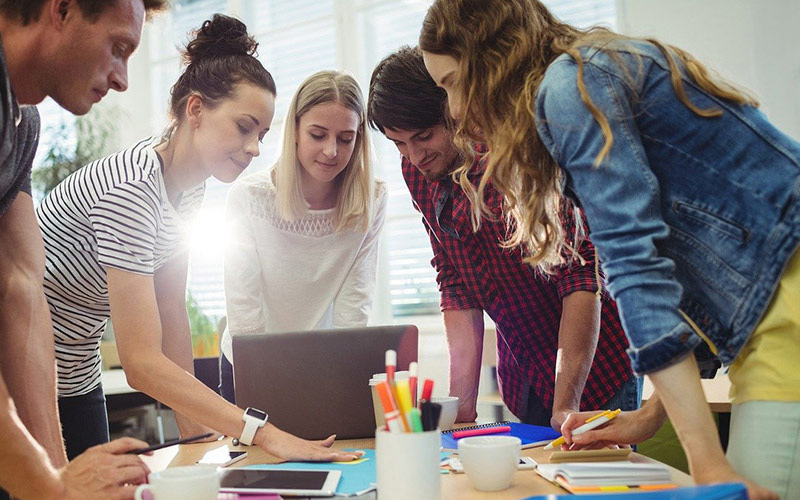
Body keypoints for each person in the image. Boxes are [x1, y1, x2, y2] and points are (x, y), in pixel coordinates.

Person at [419, 1, 800, 498]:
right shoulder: (592, 69)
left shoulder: (570, 88)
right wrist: (647, 419)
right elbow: (690, 273)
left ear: (488, 59)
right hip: (770, 321)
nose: (452, 106)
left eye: (450, 82)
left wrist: (707, 464)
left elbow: (637, 272)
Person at [36, 14, 362, 464]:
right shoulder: (130, 189)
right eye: (244, 127)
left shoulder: (191, 188)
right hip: (24, 375)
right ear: (195, 111)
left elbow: (171, 312)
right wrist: (261, 434)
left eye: (262, 135)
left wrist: (199, 438)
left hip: (76, 373)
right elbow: (141, 362)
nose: (254, 148)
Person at [367, 46, 636, 429]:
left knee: (597, 485)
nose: (413, 156)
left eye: (423, 136)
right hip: (525, 371)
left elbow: (578, 278)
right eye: (398, 143)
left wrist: (566, 406)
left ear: (454, 111)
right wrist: (461, 407)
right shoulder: (418, 170)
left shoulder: (515, 156)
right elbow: (455, 282)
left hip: (594, 367)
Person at [0, 0, 167, 498]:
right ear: (63, 9)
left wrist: (56, 478)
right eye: (118, 49)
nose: (122, 80)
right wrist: (50, 490)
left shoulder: (22, 123)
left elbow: (22, 284)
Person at [220, 70, 387, 403]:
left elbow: (355, 305)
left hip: (325, 361)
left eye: (345, 138)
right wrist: (267, 379)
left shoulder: (372, 199)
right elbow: (244, 308)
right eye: (318, 134)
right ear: (295, 131)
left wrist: (340, 377)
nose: (331, 151)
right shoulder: (250, 197)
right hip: (250, 361)